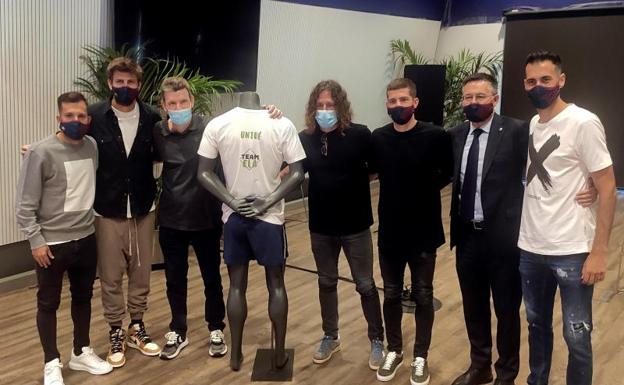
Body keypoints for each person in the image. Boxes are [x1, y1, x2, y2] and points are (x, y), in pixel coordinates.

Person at [448, 73, 598, 385]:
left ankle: (506, 373)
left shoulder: (517, 130)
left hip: (504, 239)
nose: (472, 103)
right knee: (473, 307)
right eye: (467, 98)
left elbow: (554, 165)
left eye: (480, 97)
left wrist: (593, 186)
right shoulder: (457, 134)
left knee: (506, 310)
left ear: (495, 99)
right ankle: (480, 367)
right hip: (467, 238)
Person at [518, 51, 616, 385]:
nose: (538, 86)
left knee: (577, 336)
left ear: (561, 80)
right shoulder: (534, 122)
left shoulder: (583, 122)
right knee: (536, 327)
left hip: (572, 250)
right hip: (531, 247)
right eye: (531, 81)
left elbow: (607, 185)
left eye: (546, 79)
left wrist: (599, 250)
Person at [197, 91, 306, 371]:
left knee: (236, 286)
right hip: (268, 218)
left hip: (233, 216)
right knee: (276, 284)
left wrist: (232, 201)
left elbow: (203, 173)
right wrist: (267, 200)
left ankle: (235, 355)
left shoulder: (218, 124)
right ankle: (279, 353)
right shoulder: (282, 124)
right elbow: (297, 172)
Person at [16, 92, 113, 385]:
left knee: (83, 298)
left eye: (81, 116)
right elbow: (24, 205)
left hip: (85, 238)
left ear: (88, 119)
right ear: (58, 118)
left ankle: (81, 351)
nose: (75, 121)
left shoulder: (92, 146)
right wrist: (36, 240)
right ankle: (51, 361)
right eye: (69, 116)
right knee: (48, 303)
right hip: (52, 244)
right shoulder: (40, 152)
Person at [370, 78, 453, 385]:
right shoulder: (378, 138)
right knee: (391, 294)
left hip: (423, 231)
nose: (398, 106)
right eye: (392, 101)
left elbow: (448, 172)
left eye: (403, 100)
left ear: (415, 102)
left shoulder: (435, 136)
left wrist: (422, 191)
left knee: (423, 294)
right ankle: (395, 350)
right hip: (390, 232)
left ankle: (421, 356)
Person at [298, 80, 385, 369]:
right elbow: (294, 169)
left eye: (330, 105)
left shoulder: (360, 135)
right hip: (321, 226)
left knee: (365, 284)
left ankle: (377, 339)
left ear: (341, 107)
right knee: (326, 282)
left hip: (356, 225)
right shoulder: (306, 138)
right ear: (313, 108)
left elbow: (374, 172)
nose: (325, 111)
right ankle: (330, 336)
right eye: (320, 106)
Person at [88, 57, 162, 367]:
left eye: (131, 82)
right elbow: (70, 142)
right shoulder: (94, 116)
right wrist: (37, 149)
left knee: (141, 272)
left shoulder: (151, 118)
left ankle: (137, 326)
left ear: (138, 85)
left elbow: (164, 156)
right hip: (108, 209)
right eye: (119, 82)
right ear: (110, 84)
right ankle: (116, 330)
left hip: (144, 208)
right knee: (111, 276)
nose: (125, 87)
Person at [152, 77, 227, 360]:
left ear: (192, 102)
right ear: (164, 106)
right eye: (172, 103)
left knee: (212, 277)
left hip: (206, 217)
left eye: (183, 102)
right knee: (174, 279)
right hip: (172, 219)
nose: (179, 107)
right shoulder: (158, 132)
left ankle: (216, 327)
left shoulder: (211, 128)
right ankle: (178, 329)